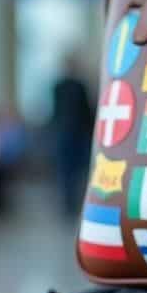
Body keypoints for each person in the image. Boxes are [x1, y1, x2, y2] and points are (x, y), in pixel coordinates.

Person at [49, 54, 95, 218]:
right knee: (67, 171)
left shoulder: (75, 85)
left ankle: (73, 202)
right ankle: (68, 203)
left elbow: (86, 111)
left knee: (76, 171)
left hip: (75, 134)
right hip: (66, 135)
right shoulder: (61, 86)